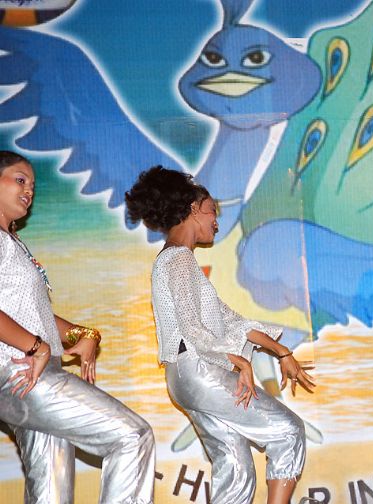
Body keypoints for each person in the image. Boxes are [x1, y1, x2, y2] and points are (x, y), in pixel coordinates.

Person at [125, 166, 314, 504]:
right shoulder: (179, 259)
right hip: (199, 370)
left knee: (235, 465)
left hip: (184, 378)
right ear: (192, 208)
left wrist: (281, 351)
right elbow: (193, 328)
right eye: (212, 210)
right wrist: (239, 361)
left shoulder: (175, 260)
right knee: (288, 432)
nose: (217, 221)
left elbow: (231, 321)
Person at [0, 151, 155, 503]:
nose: (29, 190)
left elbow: (32, 314)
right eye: (20, 180)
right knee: (132, 436)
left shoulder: (13, 244)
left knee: (51, 485)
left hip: (26, 371)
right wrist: (36, 347)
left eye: (33, 185)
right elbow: (29, 333)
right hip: (20, 369)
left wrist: (81, 335)